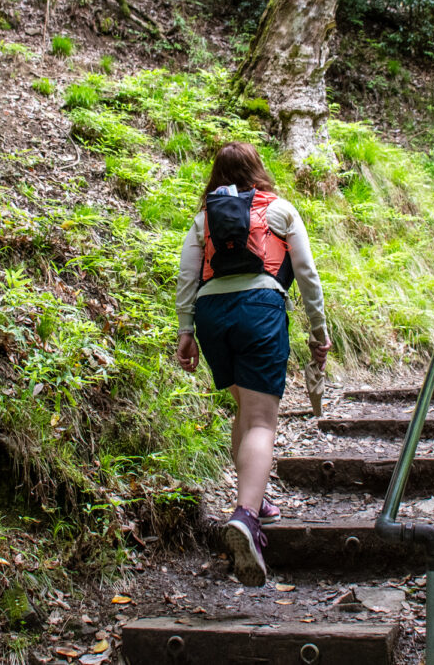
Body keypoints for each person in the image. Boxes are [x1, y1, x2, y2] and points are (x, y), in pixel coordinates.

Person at [175, 141, 330, 586]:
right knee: (262, 421)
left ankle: (255, 500)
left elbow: (187, 275)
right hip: (260, 306)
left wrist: (186, 331)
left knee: (244, 409)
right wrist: (319, 331)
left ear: (216, 175)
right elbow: (306, 273)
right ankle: (246, 517)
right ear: (257, 170)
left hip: (211, 313)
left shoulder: (204, 217)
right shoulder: (279, 209)